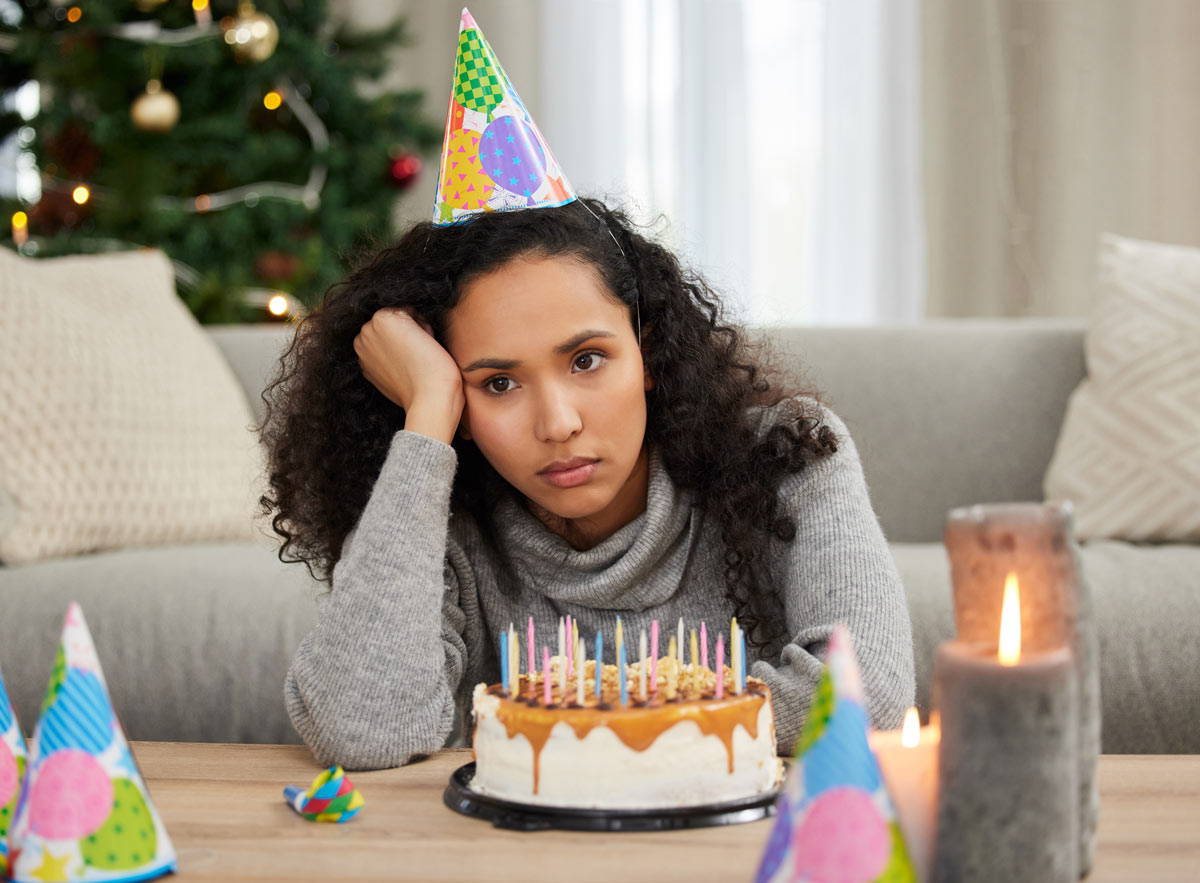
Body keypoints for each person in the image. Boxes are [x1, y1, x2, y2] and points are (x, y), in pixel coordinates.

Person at [261, 8, 913, 771]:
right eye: (497, 382)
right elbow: (360, 728)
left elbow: (870, 688)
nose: (559, 422)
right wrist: (428, 418)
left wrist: (605, 724)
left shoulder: (790, 453)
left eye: (587, 360)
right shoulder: (438, 505)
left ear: (651, 350)